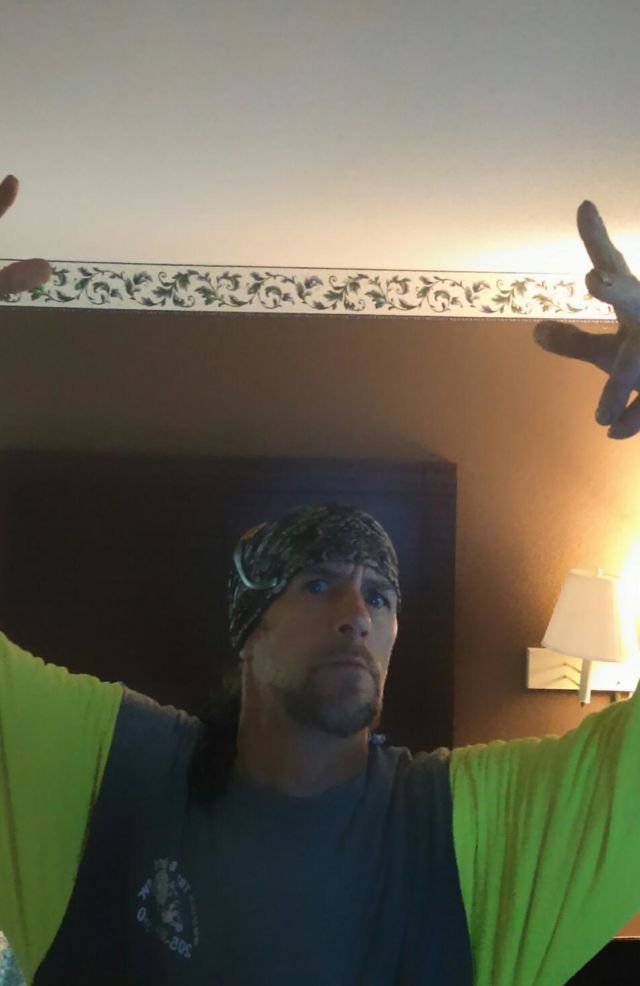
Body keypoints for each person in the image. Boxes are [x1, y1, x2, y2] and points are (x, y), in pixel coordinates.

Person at [1, 173, 640, 986]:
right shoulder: (102, 775)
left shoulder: (474, 830)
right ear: (249, 627)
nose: (356, 613)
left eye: (380, 595)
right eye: (315, 584)